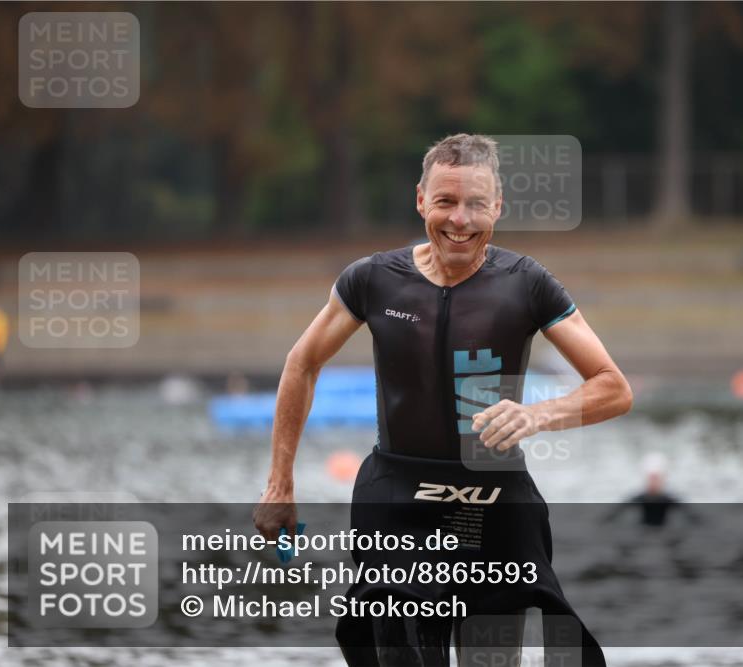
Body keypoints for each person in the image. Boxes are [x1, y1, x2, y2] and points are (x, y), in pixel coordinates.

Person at [253, 134, 632, 666]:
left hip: (495, 505)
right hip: (399, 500)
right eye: (446, 202)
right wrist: (279, 482)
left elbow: (613, 386)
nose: (461, 220)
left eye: (477, 204)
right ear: (420, 201)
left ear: (498, 206)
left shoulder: (528, 284)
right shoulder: (373, 280)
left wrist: (538, 414)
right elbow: (303, 363)